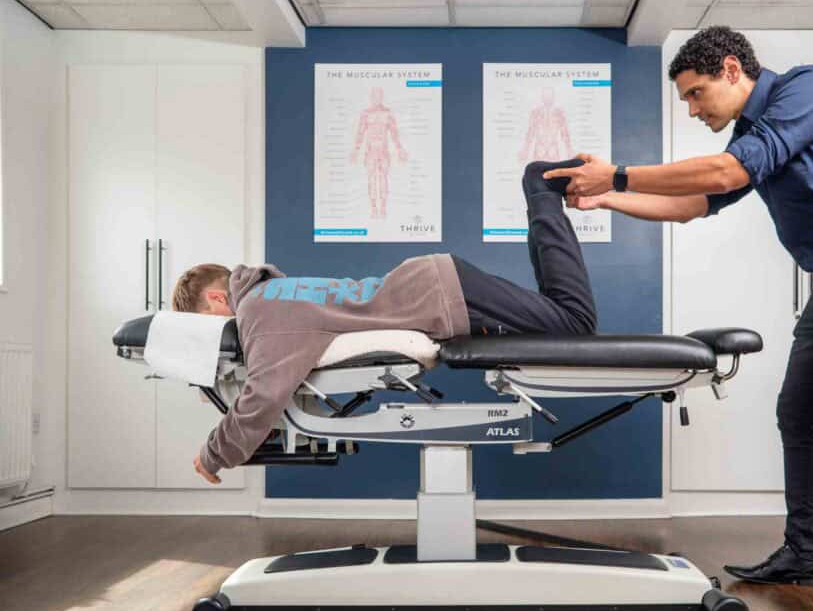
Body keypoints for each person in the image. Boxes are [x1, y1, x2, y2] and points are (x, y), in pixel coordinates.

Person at [543, 26, 813, 611]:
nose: (692, 109)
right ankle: (804, 553)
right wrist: (606, 202)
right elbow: (694, 204)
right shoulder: (752, 139)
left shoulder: (810, 90)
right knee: (797, 414)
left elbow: (726, 173)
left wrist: (617, 175)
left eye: (696, 93)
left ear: (733, 70)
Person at [171, 161, 596, 487]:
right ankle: (542, 196)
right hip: (437, 286)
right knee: (558, 315)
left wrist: (214, 454)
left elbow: (264, 394)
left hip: (441, 294)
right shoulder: (271, 294)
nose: (219, 335)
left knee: (574, 324)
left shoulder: (259, 312)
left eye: (208, 322)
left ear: (217, 298)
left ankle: (540, 189)